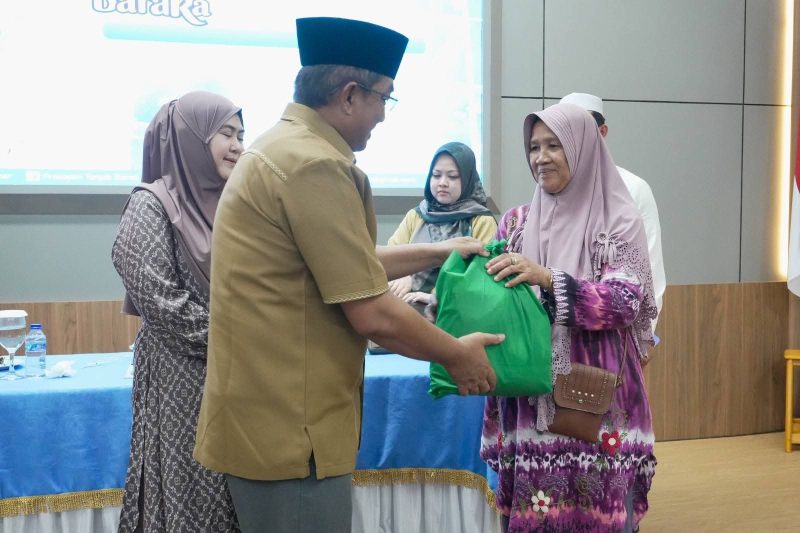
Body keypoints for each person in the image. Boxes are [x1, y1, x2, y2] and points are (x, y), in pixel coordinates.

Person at [193, 17, 502, 533]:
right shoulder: (314, 164)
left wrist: (442, 248)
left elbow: (343, 263)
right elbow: (373, 313)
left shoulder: (279, 147)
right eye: (384, 98)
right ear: (350, 95)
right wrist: (456, 354)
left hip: (266, 422)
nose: (382, 115)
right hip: (292, 430)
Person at [480, 103, 658, 532]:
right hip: (527, 401)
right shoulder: (515, 223)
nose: (540, 158)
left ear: (582, 148)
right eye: (533, 147)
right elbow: (493, 299)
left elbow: (625, 300)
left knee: (599, 512)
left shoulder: (618, 222)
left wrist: (547, 278)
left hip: (596, 402)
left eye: (554, 146)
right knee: (534, 513)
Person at [111, 92, 244, 532]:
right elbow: (160, 300)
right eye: (226, 134)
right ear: (191, 138)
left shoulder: (238, 204)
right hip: (181, 380)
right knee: (190, 492)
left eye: (241, 135)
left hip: (242, 379)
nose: (238, 146)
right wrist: (245, 340)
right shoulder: (150, 204)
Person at [560, 92, 666, 331]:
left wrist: (645, 335)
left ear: (602, 132)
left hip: (620, 329)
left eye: (583, 128)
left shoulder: (633, 188)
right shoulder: (553, 190)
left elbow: (651, 267)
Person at [387, 141, 497, 309]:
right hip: (407, 305)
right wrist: (402, 275)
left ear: (467, 179)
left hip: (455, 310)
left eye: (452, 176)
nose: (442, 183)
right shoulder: (416, 215)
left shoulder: (481, 220)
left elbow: (483, 275)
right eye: (436, 175)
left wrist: (435, 296)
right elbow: (391, 257)